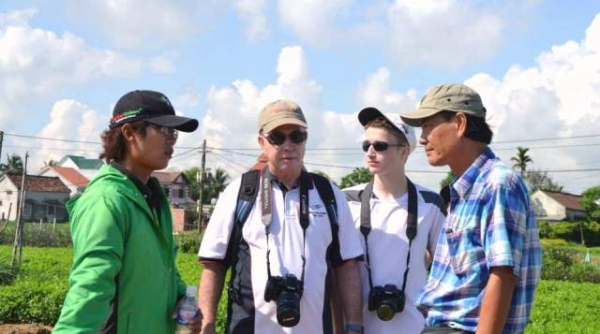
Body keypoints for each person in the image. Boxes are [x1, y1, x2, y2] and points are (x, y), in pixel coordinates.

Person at [197, 100, 364, 334]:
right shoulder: (240, 192)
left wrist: (354, 325)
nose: (288, 145)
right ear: (261, 142)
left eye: (297, 136)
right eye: (277, 137)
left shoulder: (329, 194)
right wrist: (207, 325)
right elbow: (213, 265)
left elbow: (346, 265)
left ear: (305, 140)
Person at [53, 90, 201, 334]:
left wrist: (181, 297)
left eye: (173, 132)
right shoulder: (107, 200)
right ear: (129, 132)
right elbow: (90, 288)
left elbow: (163, 269)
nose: (172, 139)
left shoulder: (151, 198)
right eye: (163, 130)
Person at [400, 83, 542, 334]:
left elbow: (503, 274)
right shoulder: (462, 190)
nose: (422, 139)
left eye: (429, 126)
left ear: (460, 123)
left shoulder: (496, 183)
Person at [342, 108, 446, 334]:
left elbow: (446, 271)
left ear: (404, 152)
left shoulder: (430, 203)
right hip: (358, 328)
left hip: (415, 327)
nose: (370, 152)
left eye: (380, 146)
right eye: (366, 145)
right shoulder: (347, 200)